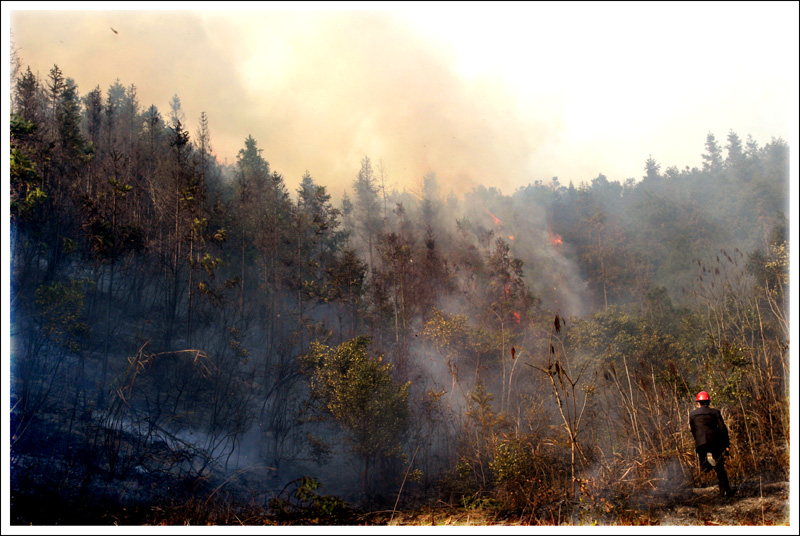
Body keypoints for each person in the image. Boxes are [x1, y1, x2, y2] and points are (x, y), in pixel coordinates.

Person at [689, 391, 734, 497]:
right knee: (720, 468)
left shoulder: (692, 414)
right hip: (714, 442)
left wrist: (698, 441)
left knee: (705, 467)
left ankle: (706, 461)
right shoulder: (715, 412)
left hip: (701, 443)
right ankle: (725, 491)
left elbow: (693, 430)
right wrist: (726, 444)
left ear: (698, 403)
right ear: (708, 402)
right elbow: (722, 429)